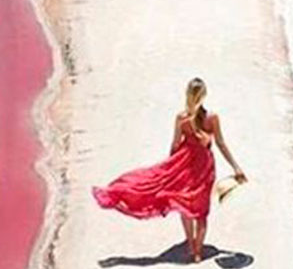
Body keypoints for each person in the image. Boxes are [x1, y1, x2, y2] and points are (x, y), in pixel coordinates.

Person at [92, 77, 247, 262]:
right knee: (201, 210)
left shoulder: (181, 118)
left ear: (188, 96)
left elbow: (175, 145)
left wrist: (168, 169)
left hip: (183, 165)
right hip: (204, 167)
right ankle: (198, 252)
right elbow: (221, 143)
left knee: (184, 205)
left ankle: (191, 246)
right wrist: (236, 167)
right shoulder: (212, 118)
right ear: (204, 96)